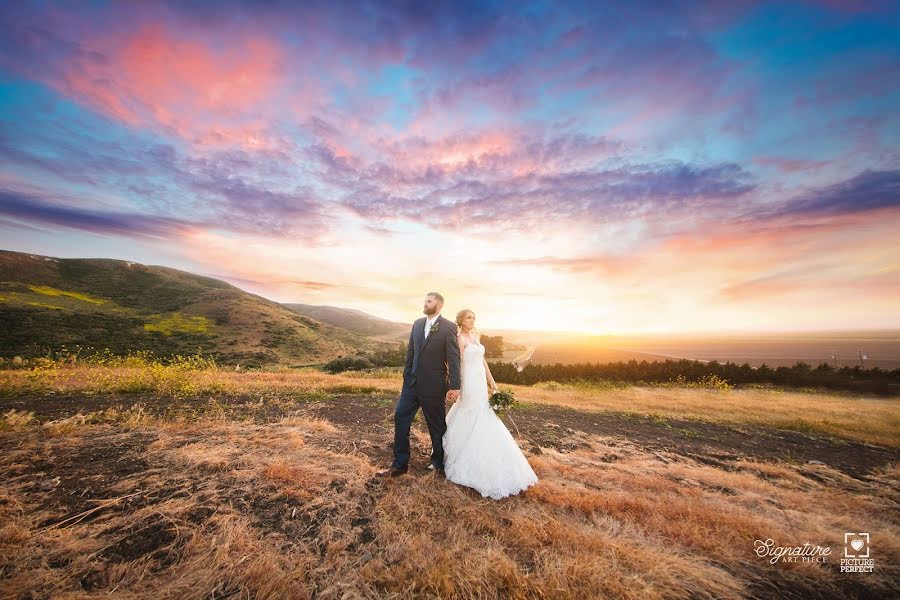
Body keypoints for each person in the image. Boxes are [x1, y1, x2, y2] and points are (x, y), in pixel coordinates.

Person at [442, 309, 538, 499]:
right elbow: (457, 364)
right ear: (461, 320)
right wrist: (458, 386)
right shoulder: (459, 339)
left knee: (484, 414)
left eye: (474, 317)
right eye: (469, 317)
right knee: (469, 412)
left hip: (479, 380)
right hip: (468, 381)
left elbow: (483, 362)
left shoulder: (476, 336)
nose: (473, 320)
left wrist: (493, 385)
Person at [378, 292, 461, 477]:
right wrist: (407, 377)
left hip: (434, 385)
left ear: (439, 305)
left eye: (429, 301)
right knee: (400, 418)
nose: (425, 303)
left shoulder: (448, 327)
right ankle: (400, 464)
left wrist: (455, 386)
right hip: (412, 385)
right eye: (424, 300)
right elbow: (411, 352)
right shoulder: (417, 324)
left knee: (437, 426)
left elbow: (454, 358)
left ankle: (439, 464)